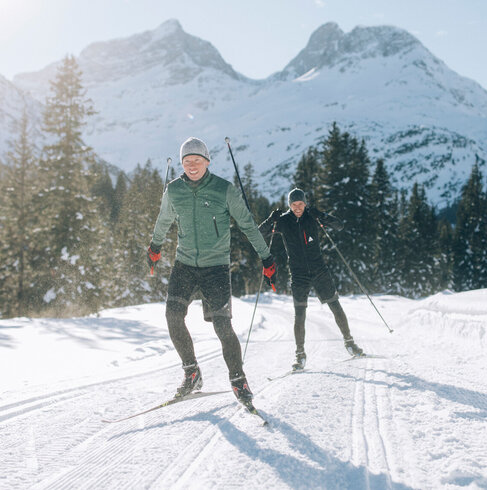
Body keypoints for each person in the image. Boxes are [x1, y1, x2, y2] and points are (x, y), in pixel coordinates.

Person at [147, 137, 277, 407]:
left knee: (222, 325)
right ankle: (191, 372)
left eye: (197, 160)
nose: (192, 166)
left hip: (215, 267)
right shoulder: (174, 190)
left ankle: (239, 380)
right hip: (184, 265)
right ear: (182, 164)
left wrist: (266, 257)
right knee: (173, 316)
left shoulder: (224, 190)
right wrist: (155, 246)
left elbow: (248, 225)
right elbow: (163, 219)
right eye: (187, 161)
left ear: (207, 162)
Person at [259, 188, 364, 371]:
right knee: (300, 314)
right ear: (289, 206)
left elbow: (339, 225)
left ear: (305, 203)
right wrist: (271, 220)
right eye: (293, 205)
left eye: (300, 204)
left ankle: (350, 343)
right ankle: (300, 355)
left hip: (319, 270)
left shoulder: (312, 217)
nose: (297, 208)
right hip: (298, 273)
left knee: (335, 306)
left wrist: (321, 215)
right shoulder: (283, 221)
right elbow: (258, 234)